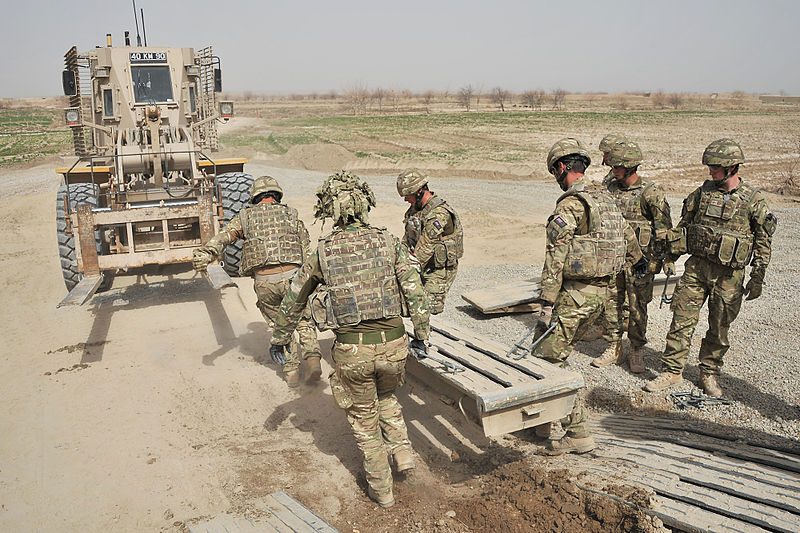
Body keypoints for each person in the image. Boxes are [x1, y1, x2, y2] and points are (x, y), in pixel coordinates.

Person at [269, 170, 430, 508]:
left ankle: (381, 490)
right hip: (394, 347)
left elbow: (294, 299)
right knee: (386, 398)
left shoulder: (324, 252)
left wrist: (280, 339)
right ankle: (403, 455)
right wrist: (422, 336)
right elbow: (415, 291)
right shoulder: (389, 242)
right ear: (364, 205)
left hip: (352, 353)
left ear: (330, 210)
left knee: (364, 419)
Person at [533, 138, 647, 454]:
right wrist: (638, 262)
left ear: (560, 168)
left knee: (549, 359)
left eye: (554, 171)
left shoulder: (571, 204)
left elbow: (556, 255)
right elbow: (628, 236)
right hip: (600, 296)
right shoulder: (606, 198)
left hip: (575, 297)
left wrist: (545, 302)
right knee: (549, 352)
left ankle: (578, 433)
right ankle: (545, 420)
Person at [645, 139, 776, 397]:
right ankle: (672, 371)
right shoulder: (702, 193)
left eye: (715, 167)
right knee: (681, 320)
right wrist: (669, 256)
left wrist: (757, 276)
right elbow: (684, 227)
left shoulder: (753, 200)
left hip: (729, 276)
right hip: (696, 269)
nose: (710, 171)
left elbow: (763, 241)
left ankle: (709, 373)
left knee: (719, 327)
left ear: (731, 167)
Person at [192, 175, 322, 387]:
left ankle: (290, 372)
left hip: (265, 282)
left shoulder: (245, 217)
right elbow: (306, 250)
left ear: (254, 197)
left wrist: (206, 254)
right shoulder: (291, 215)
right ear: (276, 195)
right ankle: (313, 359)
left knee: (280, 324)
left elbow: (223, 238)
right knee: (303, 319)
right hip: (294, 279)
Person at [592, 140, 673, 373]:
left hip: (640, 264)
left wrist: (657, 262)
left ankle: (636, 349)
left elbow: (664, 231)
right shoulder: (610, 189)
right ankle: (614, 347)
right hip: (613, 261)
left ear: (629, 167)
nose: (612, 169)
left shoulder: (651, 193)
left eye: (617, 166)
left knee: (638, 309)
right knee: (612, 305)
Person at [396, 169, 463, 314]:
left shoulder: (438, 213)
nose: (405, 199)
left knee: (425, 308)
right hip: (421, 264)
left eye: (407, 195)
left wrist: (405, 271)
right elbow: (407, 240)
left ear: (419, 191)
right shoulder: (415, 210)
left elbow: (426, 247)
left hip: (438, 270)